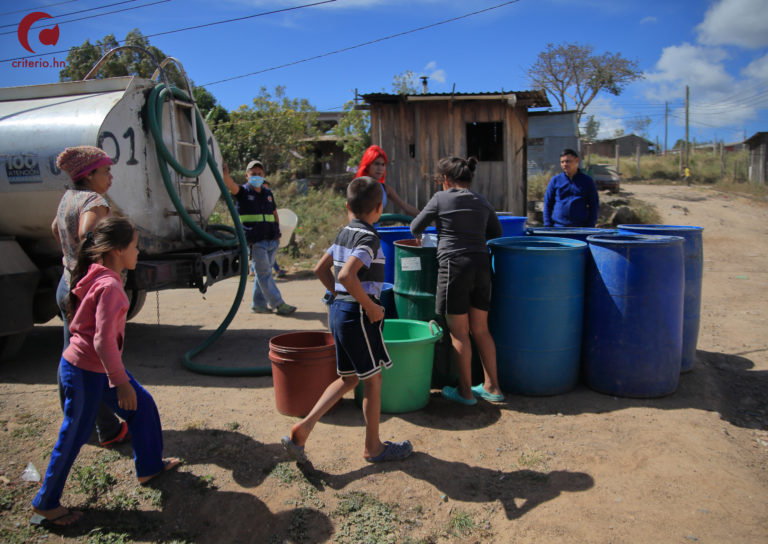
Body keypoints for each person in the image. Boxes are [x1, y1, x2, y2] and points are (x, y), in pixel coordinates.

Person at [31, 217, 180, 527]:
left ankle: (149, 466)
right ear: (116, 250)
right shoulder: (110, 284)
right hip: (85, 370)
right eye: (135, 246)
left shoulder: (100, 273)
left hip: (95, 367)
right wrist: (119, 381)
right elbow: (102, 341)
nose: (139, 252)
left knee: (143, 406)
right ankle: (46, 502)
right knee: (74, 434)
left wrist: (116, 378)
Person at [281, 176, 413, 464]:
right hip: (358, 315)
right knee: (374, 380)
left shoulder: (343, 233)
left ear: (347, 206)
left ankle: (303, 429)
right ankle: (373, 448)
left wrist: (340, 295)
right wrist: (369, 306)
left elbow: (320, 269)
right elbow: (346, 275)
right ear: (379, 209)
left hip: (340, 312)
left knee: (350, 378)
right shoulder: (368, 237)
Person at [410, 156, 504, 405]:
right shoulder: (481, 200)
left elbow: (415, 226)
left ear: (446, 180)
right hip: (482, 267)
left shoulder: (441, 198)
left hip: (455, 268)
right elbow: (496, 232)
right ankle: (493, 387)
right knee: (481, 329)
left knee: (459, 334)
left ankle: (465, 393)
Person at [52, 146, 128, 448]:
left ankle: (75, 419)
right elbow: (87, 232)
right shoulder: (95, 201)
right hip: (86, 290)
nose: (110, 176)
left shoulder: (68, 198)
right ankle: (107, 429)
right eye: (105, 171)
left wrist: (72, 257)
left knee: (70, 355)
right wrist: (105, 262)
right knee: (94, 361)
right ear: (89, 175)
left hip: (65, 283)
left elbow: (56, 228)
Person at [222, 160, 296, 315]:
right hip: (255, 242)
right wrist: (225, 174)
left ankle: (258, 304)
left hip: (271, 240)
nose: (257, 176)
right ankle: (278, 304)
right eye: (253, 174)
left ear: (264, 175)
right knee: (264, 274)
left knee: (264, 274)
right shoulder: (243, 192)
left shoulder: (267, 193)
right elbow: (230, 185)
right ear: (247, 176)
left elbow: (274, 214)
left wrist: (277, 235)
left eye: (259, 173)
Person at [356, 145, 420, 218]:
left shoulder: (385, 189)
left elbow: (405, 207)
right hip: (361, 228)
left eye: (383, 164)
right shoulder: (358, 187)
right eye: (376, 164)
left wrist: (427, 217)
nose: (380, 168)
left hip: (376, 229)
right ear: (367, 166)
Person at [543, 149, 599, 228]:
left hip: (580, 228)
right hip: (558, 227)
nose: (565, 164)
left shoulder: (587, 181)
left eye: (568, 161)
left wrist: (590, 226)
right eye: (562, 162)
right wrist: (547, 225)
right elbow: (547, 204)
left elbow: (594, 205)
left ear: (576, 161)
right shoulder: (555, 180)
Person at [261, 180, 287, 278]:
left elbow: (275, 215)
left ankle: (276, 270)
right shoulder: (254, 199)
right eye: (265, 186)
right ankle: (277, 270)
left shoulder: (269, 198)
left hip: (270, 234)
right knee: (266, 256)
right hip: (260, 236)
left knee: (268, 255)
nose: (267, 189)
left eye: (268, 187)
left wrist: (277, 233)